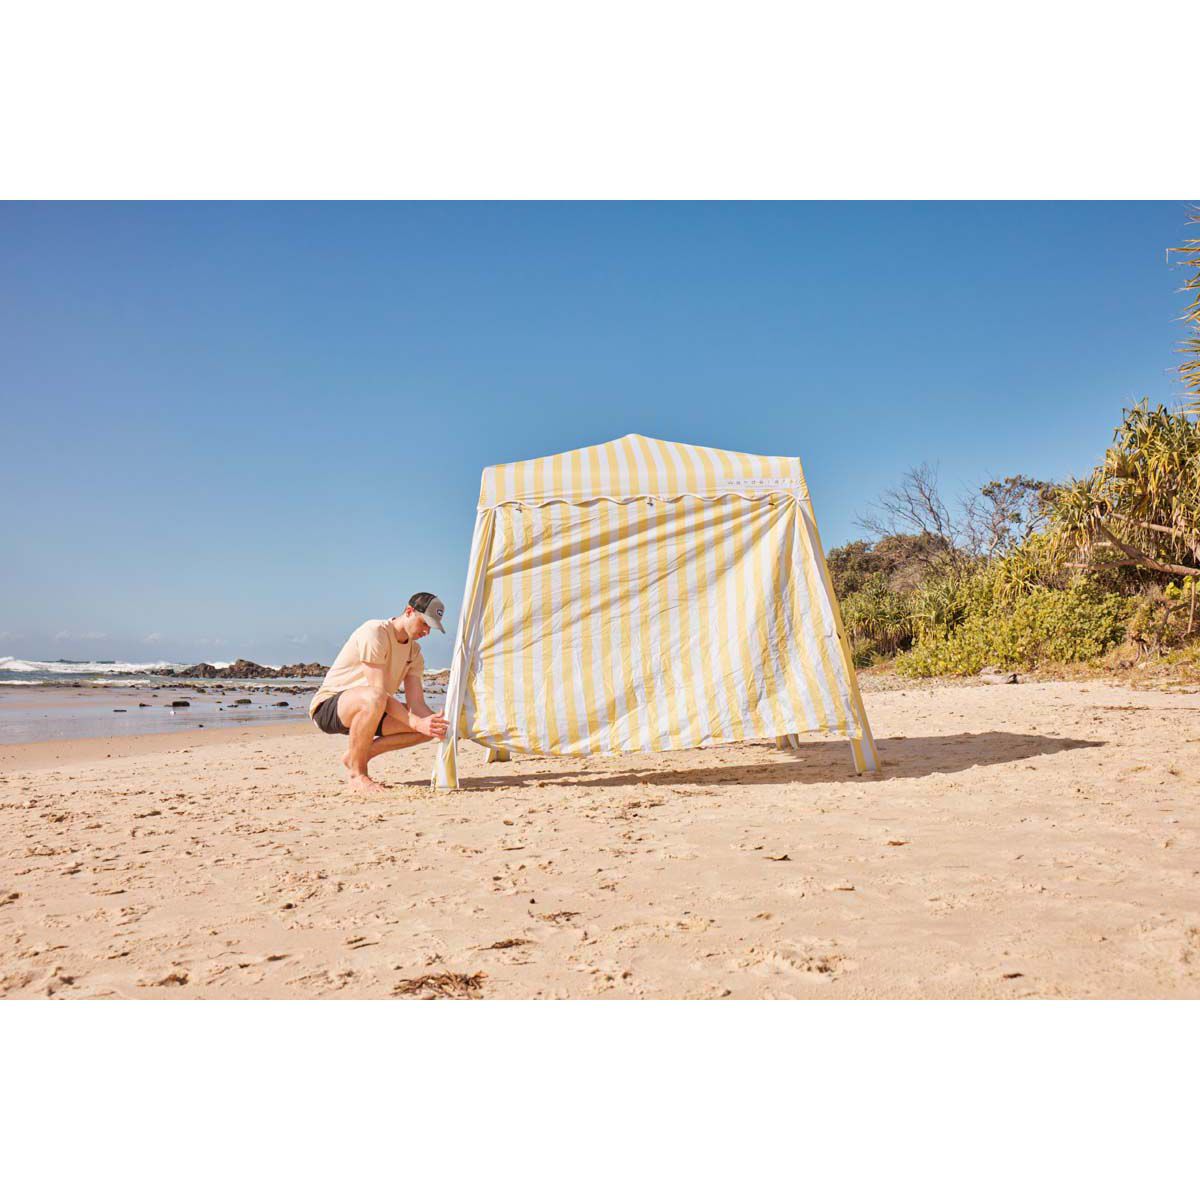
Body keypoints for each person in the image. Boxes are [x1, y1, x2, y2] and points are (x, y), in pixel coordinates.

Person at [309, 593, 450, 793]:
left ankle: (355, 756)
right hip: (330, 707)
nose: (427, 631)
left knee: (432, 727)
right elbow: (379, 693)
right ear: (409, 612)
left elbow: (416, 703)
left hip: (374, 708)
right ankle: (357, 775)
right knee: (375, 698)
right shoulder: (375, 632)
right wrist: (416, 722)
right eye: (424, 623)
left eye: (431, 627)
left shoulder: (415, 653)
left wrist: (434, 722)